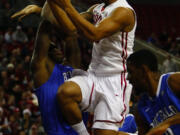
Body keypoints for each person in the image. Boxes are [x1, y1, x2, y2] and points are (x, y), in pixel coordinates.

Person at [47, 0, 136, 135]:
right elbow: (70, 28)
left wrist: (67, 5)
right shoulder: (97, 8)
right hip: (93, 75)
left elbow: (95, 34)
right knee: (65, 93)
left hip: (114, 80)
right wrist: (53, 2)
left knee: (102, 133)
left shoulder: (123, 11)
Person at [11, 3, 87, 135]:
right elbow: (45, 29)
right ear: (45, 53)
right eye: (52, 48)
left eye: (57, 46)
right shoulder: (40, 70)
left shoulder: (71, 66)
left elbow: (71, 34)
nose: (57, 49)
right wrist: (45, 10)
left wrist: (40, 10)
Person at [126, 49, 180, 135]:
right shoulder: (140, 110)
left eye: (131, 72)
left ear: (143, 70)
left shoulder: (173, 81)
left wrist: (167, 123)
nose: (128, 79)